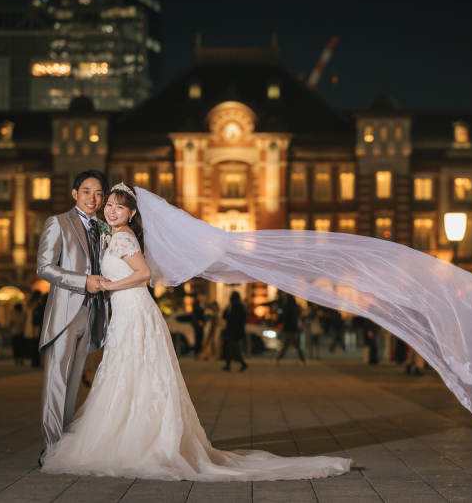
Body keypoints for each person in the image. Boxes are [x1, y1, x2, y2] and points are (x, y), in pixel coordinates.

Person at [41, 183, 349, 480]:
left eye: (119, 207)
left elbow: (144, 273)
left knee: (131, 371)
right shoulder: (117, 235)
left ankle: (133, 438)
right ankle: (132, 435)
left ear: (132, 213)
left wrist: (109, 286)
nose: (111, 210)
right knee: (130, 373)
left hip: (134, 310)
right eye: (109, 204)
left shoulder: (123, 238)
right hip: (127, 311)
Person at [36, 170, 110, 463]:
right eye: (87, 191)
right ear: (75, 194)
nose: (93, 198)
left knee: (73, 381)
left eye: (99, 194)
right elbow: (44, 267)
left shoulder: (103, 228)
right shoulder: (58, 222)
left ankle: (62, 447)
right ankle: (51, 449)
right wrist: (83, 281)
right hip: (65, 313)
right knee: (56, 381)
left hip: (93, 313)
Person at [221, 291, 248, 372]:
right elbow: (243, 320)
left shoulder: (231, 307)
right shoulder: (241, 307)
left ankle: (242, 363)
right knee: (229, 348)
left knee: (233, 348)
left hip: (231, 331)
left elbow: (225, 316)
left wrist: (227, 309)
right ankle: (228, 365)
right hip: (238, 331)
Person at [276, 293, 305, 364]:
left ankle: (302, 358)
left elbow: (283, 316)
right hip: (293, 327)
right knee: (287, 345)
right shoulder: (295, 306)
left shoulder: (287, 306)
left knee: (294, 344)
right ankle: (278, 358)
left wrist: (276, 323)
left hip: (289, 328)